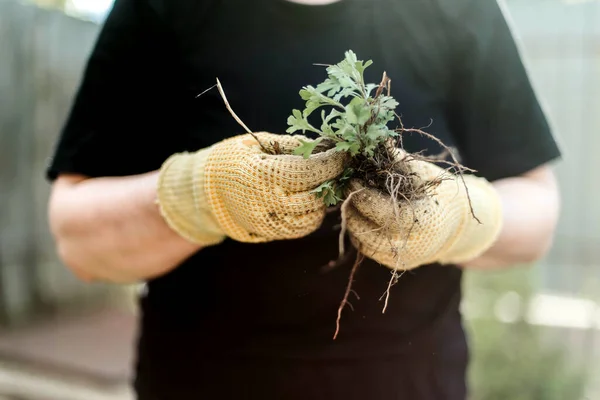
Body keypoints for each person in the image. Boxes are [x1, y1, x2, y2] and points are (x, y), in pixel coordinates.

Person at [45, 0, 561, 398]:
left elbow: (536, 214)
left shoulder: (457, 8)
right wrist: (199, 194)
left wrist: (457, 217)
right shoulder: (163, 8)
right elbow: (76, 239)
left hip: (408, 381)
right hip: (201, 379)